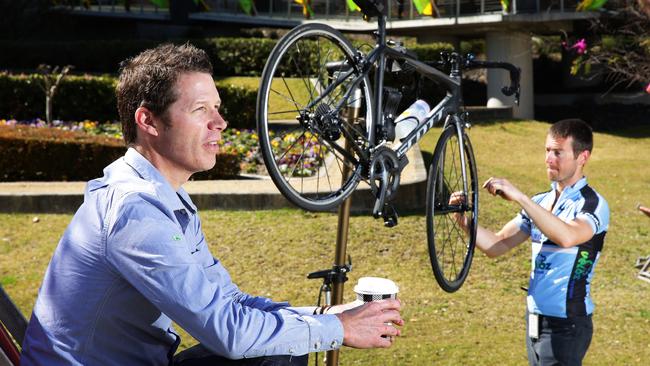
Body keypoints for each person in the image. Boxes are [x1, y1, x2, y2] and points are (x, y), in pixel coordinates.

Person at [20, 43, 403, 366]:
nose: (219, 122)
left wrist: (323, 316)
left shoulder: (168, 198)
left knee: (282, 347)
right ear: (148, 121)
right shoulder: (133, 210)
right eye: (201, 110)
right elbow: (228, 331)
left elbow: (229, 301)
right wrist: (341, 329)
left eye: (217, 108)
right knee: (274, 353)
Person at [454, 119, 609, 366]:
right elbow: (497, 245)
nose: (549, 158)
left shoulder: (592, 204)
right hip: (535, 317)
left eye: (558, 152)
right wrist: (463, 221)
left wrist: (520, 198)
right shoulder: (540, 202)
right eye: (547, 150)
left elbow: (568, 237)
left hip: (566, 322)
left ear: (583, 157)